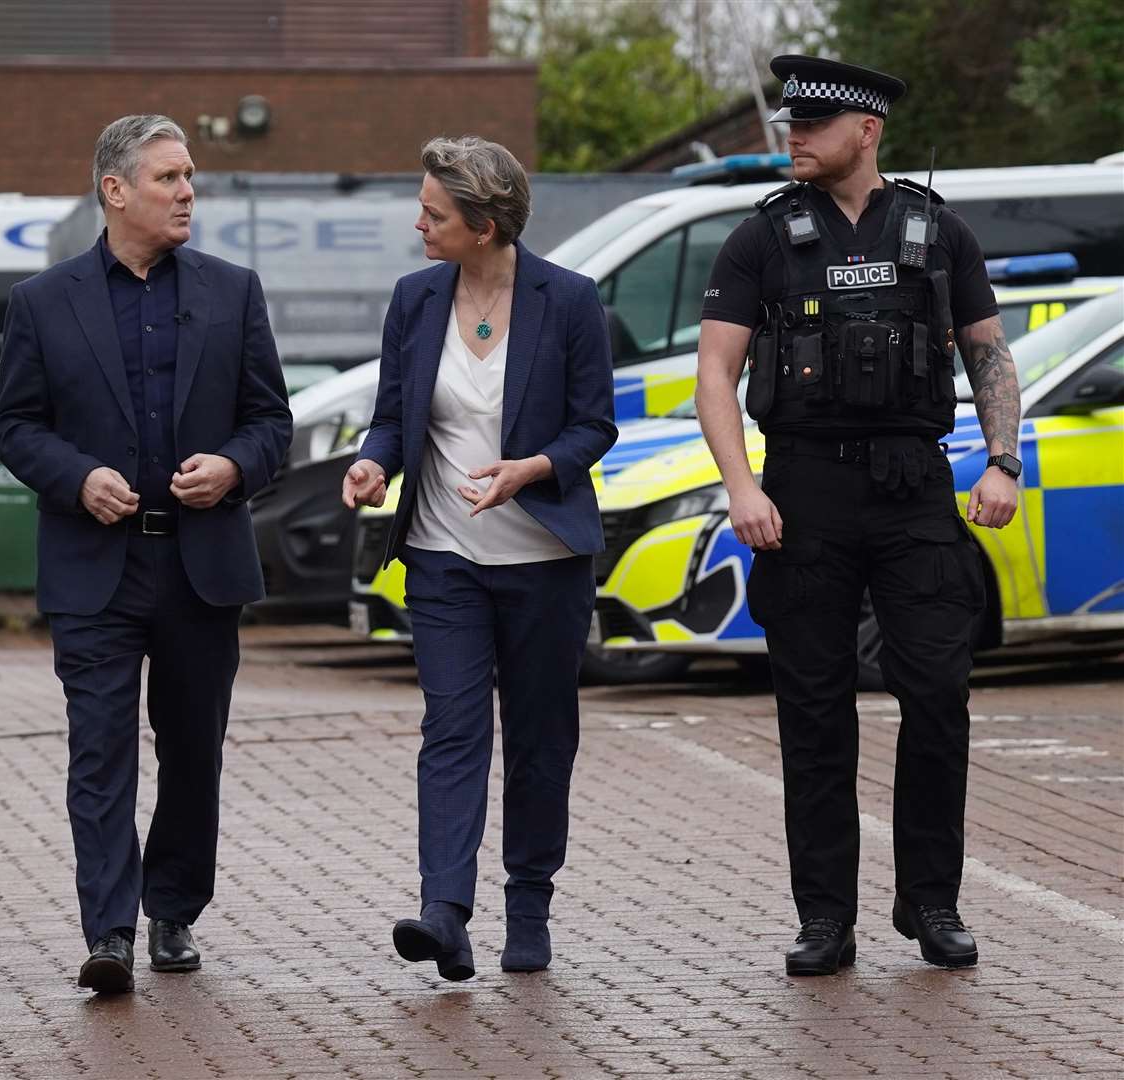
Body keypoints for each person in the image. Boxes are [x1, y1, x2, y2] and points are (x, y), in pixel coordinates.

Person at [695, 56, 1018, 976]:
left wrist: (1002, 461)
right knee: (814, 708)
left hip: (915, 488)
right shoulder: (760, 239)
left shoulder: (938, 231)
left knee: (937, 696)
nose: (793, 136)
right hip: (805, 491)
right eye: (790, 122)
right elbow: (715, 374)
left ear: (866, 130)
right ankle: (825, 917)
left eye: (814, 124)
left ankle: (931, 901)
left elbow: (989, 356)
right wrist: (743, 486)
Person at [0, 115, 292, 995]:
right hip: (95, 567)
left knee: (193, 750)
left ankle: (172, 910)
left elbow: (271, 420)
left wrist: (236, 465)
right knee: (100, 752)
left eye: (190, 175)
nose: (188, 191)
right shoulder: (42, 302)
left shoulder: (234, 292)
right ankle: (110, 930)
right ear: (115, 191)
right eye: (168, 177)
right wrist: (78, 477)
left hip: (202, 567)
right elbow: (16, 427)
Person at [342, 136, 618, 979]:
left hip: (543, 559)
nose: (417, 222)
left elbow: (594, 426)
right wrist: (372, 461)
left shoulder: (569, 301)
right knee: (452, 730)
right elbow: (395, 413)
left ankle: (527, 907)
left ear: (486, 226)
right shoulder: (415, 299)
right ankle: (445, 912)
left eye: (434, 212)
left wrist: (532, 469)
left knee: (540, 738)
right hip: (441, 556)